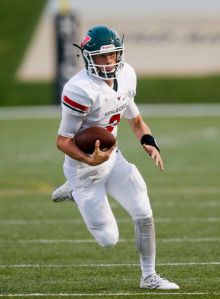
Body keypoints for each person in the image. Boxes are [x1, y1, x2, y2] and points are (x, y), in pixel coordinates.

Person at [52, 25, 179, 290]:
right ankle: (74, 191)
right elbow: (62, 140)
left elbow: (135, 118)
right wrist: (89, 160)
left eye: (113, 55)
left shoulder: (127, 74)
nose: (109, 61)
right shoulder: (80, 89)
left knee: (144, 213)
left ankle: (149, 277)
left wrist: (148, 141)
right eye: (101, 56)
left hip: (113, 159)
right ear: (88, 57)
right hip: (83, 169)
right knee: (109, 239)